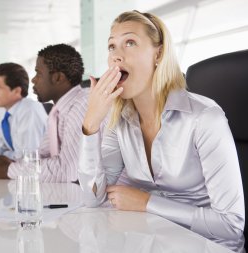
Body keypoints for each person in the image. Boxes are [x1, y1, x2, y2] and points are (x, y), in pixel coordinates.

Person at [78, 10, 245, 252]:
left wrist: (147, 202)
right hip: (153, 240)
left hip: (210, 246)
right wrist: (91, 125)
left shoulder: (204, 117)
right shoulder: (121, 120)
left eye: (130, 42)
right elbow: (92, 198)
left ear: (158, 53)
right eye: (112, 47)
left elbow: (231, 225)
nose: (116, 56)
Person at [0, 44, 88, 182]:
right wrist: (6, 163)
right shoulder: (57, 113)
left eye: (38, 73)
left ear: (58, 78)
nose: (33, 80)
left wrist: (8, 169)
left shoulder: (81, 105)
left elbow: (69, 170)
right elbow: (40, 156)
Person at [0, 62, 47, 160]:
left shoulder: (29, 110)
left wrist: (3, 156)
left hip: (42, 173)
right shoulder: (1, 113)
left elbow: (27, 157)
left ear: (17, 91)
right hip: (17, 172)